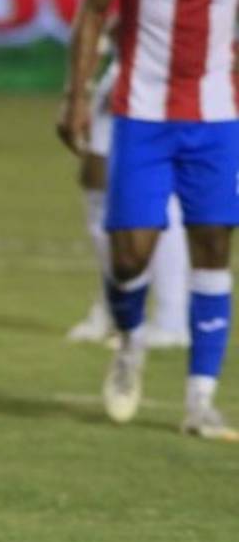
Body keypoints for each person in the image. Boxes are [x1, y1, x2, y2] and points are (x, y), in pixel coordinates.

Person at [58, 0, 239, 440]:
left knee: (214, 246)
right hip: (141, 115)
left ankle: (201, 401)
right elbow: (94, 12)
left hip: (216, 116)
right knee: (128, 258)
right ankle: (129, 342)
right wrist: (75, 97)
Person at [66, 53, 189, 349]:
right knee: (97, 181)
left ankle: (171, 320)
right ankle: (115, 306)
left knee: (159, 191)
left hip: (173, 72)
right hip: (135, 65)